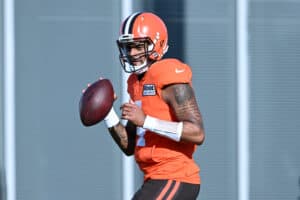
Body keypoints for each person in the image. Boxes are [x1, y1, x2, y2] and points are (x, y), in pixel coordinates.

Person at [103, 12, 205, 199]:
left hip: (176, 176)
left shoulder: (168, 75)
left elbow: (197, 133)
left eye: (137, 46)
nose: (132, 53)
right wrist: (106, 110)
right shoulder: (135, 83)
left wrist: (146, 121)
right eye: (127, 47)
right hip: (154, 178)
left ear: (155, 44)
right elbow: (129, 145)